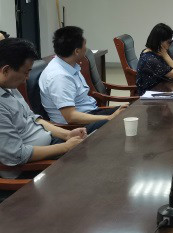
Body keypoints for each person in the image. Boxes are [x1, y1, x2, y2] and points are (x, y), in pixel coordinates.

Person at [0, 38, 87, 179]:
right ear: (6, 70)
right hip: (30, 168)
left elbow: (34, 119)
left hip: (48, 146)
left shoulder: (9, 86)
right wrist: (66, 147)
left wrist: (67, 135)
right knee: (87, 167)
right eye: (25, 72)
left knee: (91, 146)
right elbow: (17, 155)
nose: (27, 78)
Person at [39, 26, 127, 132]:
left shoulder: (69, 65)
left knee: (129, 111)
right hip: (77, 127)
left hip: (90, 114)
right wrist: (109, 118)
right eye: (85, 45)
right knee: (124, 122)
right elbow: (71, 117)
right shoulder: (59, 77)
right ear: (77, 51)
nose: (86, 48)